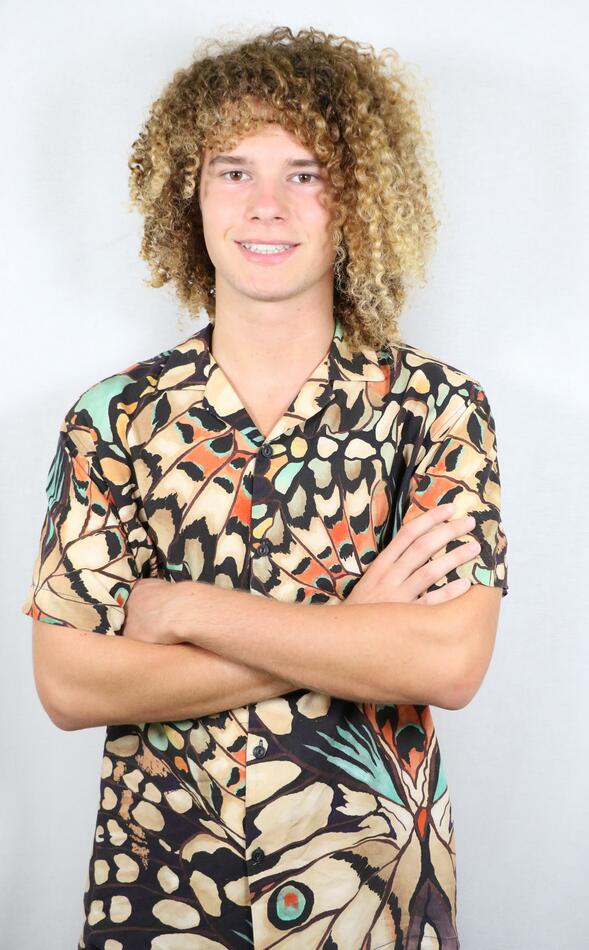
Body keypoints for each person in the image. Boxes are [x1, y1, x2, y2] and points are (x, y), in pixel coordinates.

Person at [22, 25, 509, 950]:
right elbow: (70, 684)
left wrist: (184, 610)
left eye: (306, 174)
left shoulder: (436, 409)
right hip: (163, 890)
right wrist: (353, 629)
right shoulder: (113, 419)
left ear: (356, 197)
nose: (266, 207)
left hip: (368, 894)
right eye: (234, 171)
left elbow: (448, 663)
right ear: (190, 193)